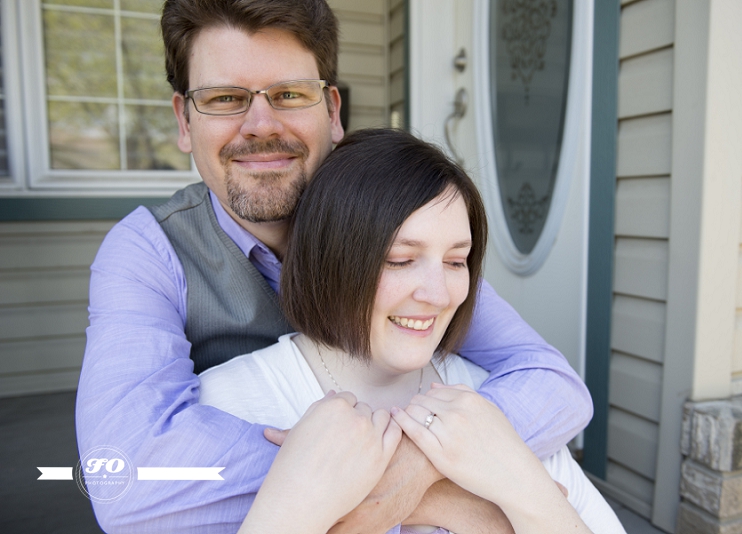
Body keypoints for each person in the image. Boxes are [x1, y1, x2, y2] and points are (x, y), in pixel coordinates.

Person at [75, 1, 592, 532]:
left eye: (290, 94)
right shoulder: (147, 250)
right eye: (225, 98)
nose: (260, 125)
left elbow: (552, 383)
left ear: (332, 111)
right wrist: (428, 492)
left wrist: (414, 471)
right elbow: (122, 479)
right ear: (184, 121)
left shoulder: (390, 218)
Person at [198, 128, 624, 534]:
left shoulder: (493, 403)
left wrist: (520, 487)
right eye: (400, 260)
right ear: (329, 260)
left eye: (456, 262)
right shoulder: (224, 404)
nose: (439, 294)